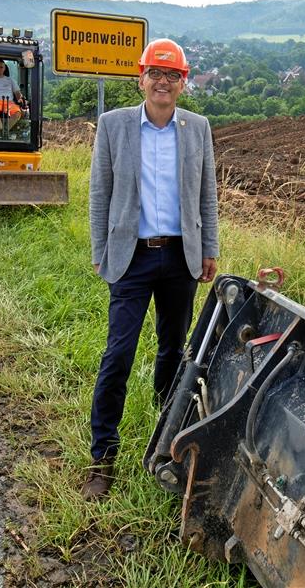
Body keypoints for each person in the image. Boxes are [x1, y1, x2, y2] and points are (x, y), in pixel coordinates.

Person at [83, 38, 219, 500]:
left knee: (173, 351)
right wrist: (101, 248)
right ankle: (103, 457)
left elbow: (206, 196)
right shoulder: (114, 125)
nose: (163, 83)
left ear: (183, 83)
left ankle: (165, 442)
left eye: (173, 76)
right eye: (155, 75)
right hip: (131, 257)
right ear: (141, 78)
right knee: (117, 356)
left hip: (180, 257)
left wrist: (208, 249)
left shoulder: (197, 128)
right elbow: (100, 193)